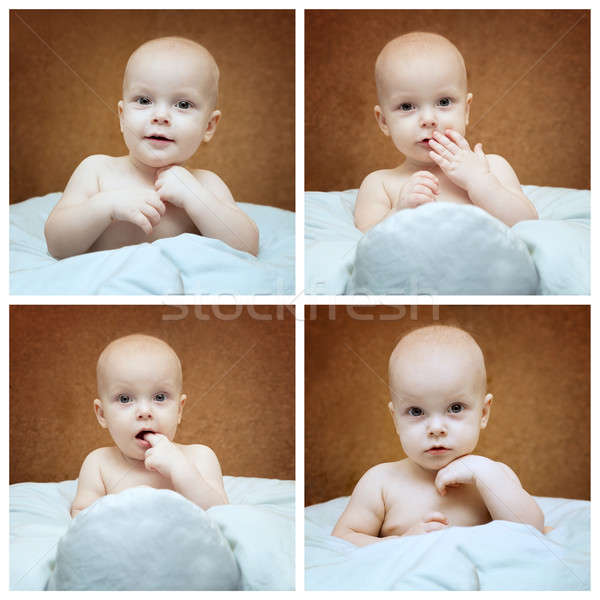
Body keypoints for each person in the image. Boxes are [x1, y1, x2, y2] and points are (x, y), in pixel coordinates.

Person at [45, 37, 259, 258]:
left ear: (209, 126)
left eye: (183, 104)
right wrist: (104, 206)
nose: (160, 116)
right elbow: (57, 245)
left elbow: (247, 247)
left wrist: (196, 198)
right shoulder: (96, 171)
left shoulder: (206, 184)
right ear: (121, 116)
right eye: (144, 100)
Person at [332, 325, 544, 546]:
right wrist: (400, 542)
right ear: (396, 419)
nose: (435, 428)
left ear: (483, 413)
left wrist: (485, 472)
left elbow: (532, 533)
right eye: (416, 411)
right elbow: (343, 539)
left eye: (455, 408)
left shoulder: (494, 476)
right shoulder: (380, 482)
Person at [354, 32, 538, 232]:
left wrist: (480, 181)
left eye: (443, 102)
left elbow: (527, 222)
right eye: (407, 106)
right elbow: (367, 239)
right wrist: (399, 211)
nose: (428, 120)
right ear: (384, 122)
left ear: (466, 110)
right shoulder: (380, 184)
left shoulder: (491, 167)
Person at [70, 334, 228, 517]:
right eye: (125, 399)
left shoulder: (200, 457)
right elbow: (81, 518)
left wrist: (181, 469)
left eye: (159, 397)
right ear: (102, 414)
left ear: (179, 410)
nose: (144, 411)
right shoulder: (99, 464)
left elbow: (221, 514)